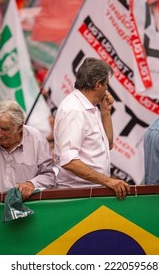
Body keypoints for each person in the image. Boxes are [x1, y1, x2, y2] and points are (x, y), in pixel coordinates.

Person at [54, 57, 130, 199]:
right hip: (77, 195)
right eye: (107, 84)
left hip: (90, 192)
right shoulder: (74, 110)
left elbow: (109, 145)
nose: (107, 88)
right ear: (97, 85)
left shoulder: (89, 106)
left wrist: (105, 113)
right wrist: (108, 181)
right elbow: (69, 161)